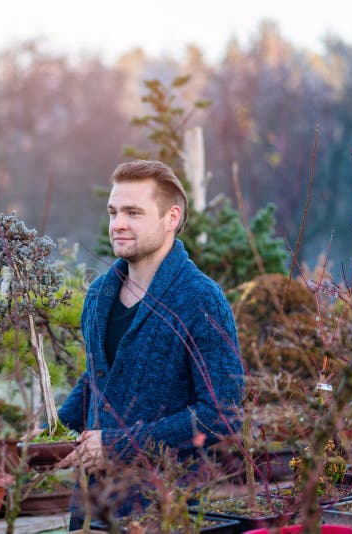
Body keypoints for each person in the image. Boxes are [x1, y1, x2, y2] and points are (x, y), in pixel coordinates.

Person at [54, 160, 245, 530]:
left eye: (133, 212)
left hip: (164, 509)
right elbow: (98, 376)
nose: (118, 224)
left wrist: (115, 445)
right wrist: (54, 431)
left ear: (171, 217)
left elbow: (222, 415)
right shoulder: (99, 294)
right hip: (92, 505)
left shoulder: (200, 299)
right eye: (113, 212)